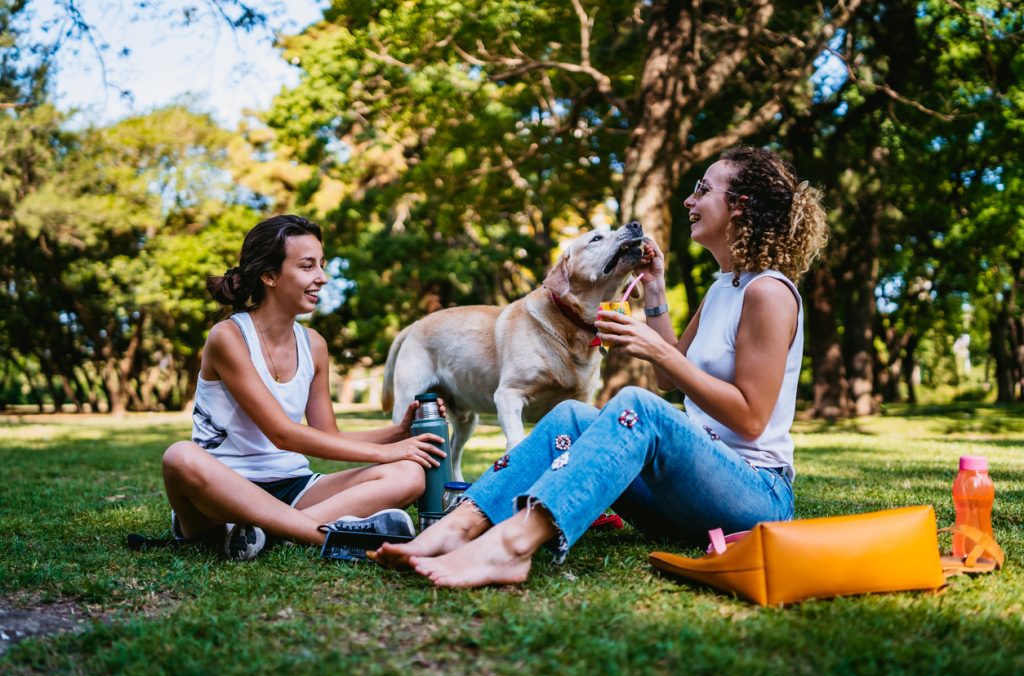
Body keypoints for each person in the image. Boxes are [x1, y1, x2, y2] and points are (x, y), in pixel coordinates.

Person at [375, 146, 828, 587]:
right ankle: (454, 528)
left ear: (739, 207)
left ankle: (512, 548)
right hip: (687, 493)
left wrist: (658, 349)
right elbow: (668, 379)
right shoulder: (722, 290)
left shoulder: (768, 292)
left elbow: (750, 419)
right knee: (570, 415)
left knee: (637, 405)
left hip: (754, 496)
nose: (689, 200)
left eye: (702, 189)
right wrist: (654, 293)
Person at [162, 215, 447, 560]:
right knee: (179, 456)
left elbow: (328, 436)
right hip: (222, 490)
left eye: (321, 265)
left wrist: (397, 434)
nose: (322, 278)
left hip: (293, 486)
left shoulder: (314, 345)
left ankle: (261, 535)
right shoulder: (229, 337)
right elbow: (282, 434)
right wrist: (385, 452)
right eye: (307, 266)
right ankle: (328, 535)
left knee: (409, 475)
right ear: (269, 276)